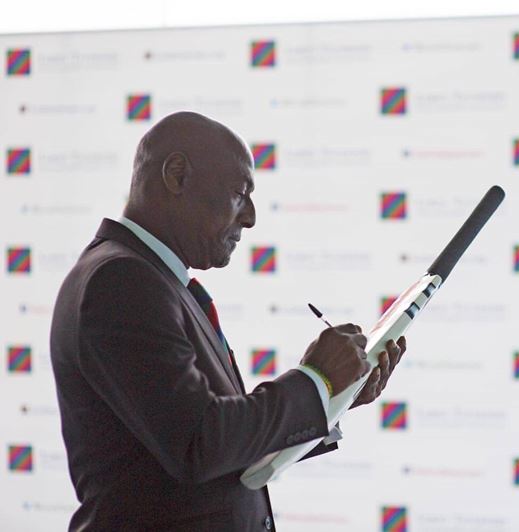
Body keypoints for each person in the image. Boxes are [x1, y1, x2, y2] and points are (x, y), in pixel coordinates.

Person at [49, 111, 406, 531]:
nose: (250, 217)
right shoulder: (121, 280)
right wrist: (314, 380)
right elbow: (197, 443)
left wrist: (332, 395)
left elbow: (224, 446)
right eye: (240, 193)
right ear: (177, 175)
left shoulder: (154, 280)